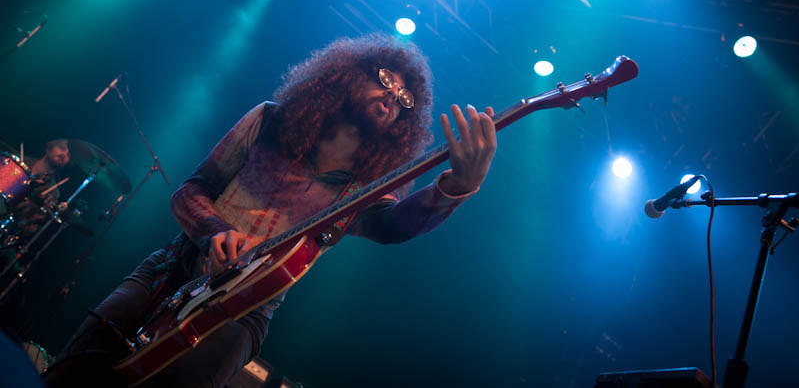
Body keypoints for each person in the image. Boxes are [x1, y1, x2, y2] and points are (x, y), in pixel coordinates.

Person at [46, 34, 497, 387]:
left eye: (404, 99)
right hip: (171, 269)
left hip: (244, 312)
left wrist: (457, 187)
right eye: (385, 80)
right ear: (348, 75)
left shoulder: (364, 189)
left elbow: (392, 226)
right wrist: (215, 231)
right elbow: (190, 191)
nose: (393, 96)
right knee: (73, 369)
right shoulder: (267, 120)